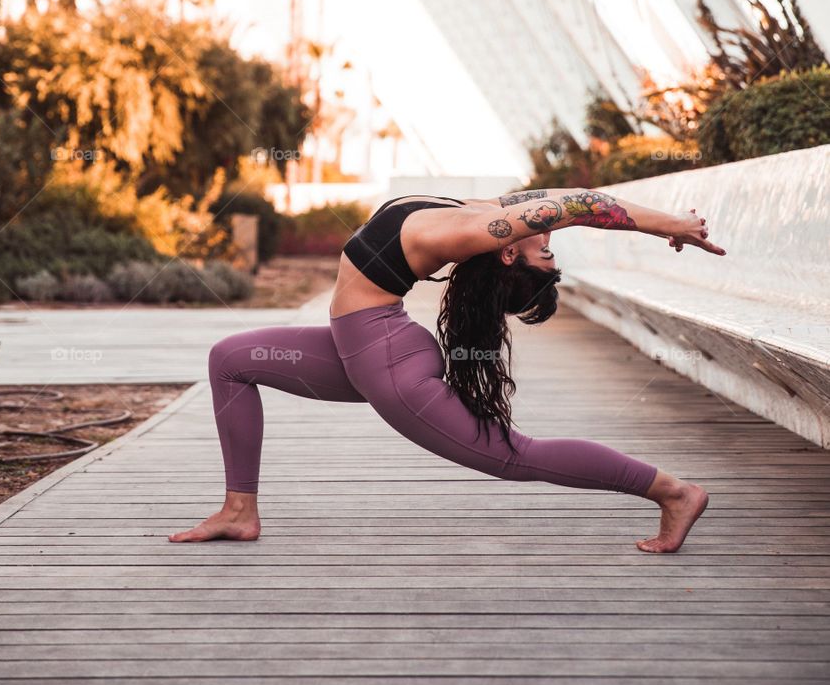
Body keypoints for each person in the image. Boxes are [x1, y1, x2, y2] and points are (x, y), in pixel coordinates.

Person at [169, 187, 724, 552]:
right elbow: (572, 199)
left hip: (385, 363)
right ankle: (240, 510)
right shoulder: (489, 212)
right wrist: (666, 222)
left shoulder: (475, 232)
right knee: (230, 360)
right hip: (370, 347)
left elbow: (578, 207)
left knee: (513, 455)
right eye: (548, 249)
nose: (549, 240)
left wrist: (667, 225)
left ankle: (671, 492)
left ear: (507, 251)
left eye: (545, 252)